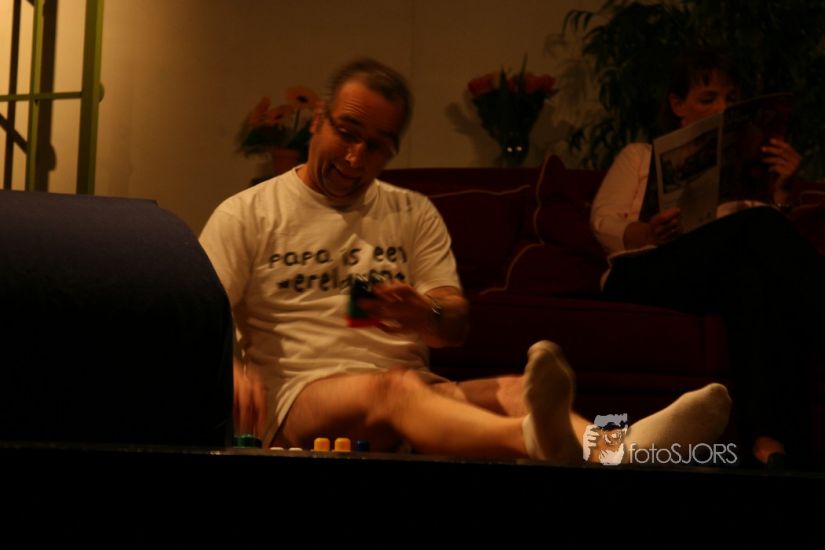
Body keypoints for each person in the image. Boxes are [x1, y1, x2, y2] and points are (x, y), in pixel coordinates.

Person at [200, 57, 731, 464]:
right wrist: (233, 371)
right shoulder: (249, 212)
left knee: (513, 390)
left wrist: (424, 315)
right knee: (397, 388)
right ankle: (539, 442)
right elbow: (197, 319)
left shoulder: (411, 212)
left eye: (377, 147)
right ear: (318, 121)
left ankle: (621, 452)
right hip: (296, 401)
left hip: (412, 393)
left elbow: (452, 324)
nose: (356, 158)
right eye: (346, 133)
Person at [590, 48, 825, 468]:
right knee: (756, 228)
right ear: (677, 105)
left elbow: (768, 251)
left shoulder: (750, 171)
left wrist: (782, 188)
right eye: (707, 98)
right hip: (648, 266)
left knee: (751, 282)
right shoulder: (639, 155)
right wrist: (648, 231)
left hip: (717, 271)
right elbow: (603, 221)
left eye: (730, 100)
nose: (722, 108)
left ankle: (768, 444)